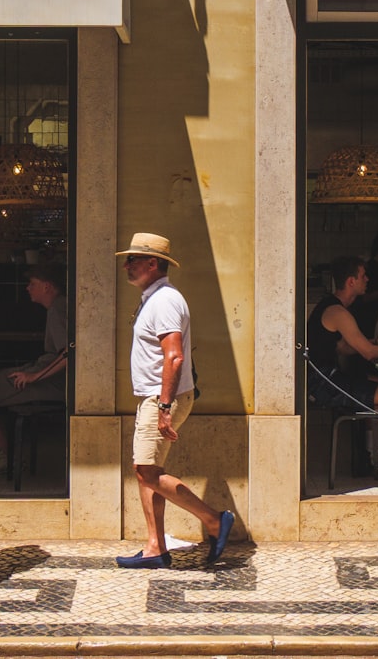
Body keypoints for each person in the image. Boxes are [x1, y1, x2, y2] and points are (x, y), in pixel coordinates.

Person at [114, 232, 234, 570]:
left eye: (133, 260)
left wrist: (164, 407)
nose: (127, 265)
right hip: (155, 396)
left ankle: (213, 520)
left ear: (152, 263)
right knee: (147, 471)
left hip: (160, 398)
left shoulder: (165, 301)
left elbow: (175, 357)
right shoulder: (154, 298)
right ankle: (155, 547)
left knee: (145, 471)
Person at [306, 255, 378, 477]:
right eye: (363, 276)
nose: (367, 279)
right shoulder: (338, 312)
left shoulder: (329, 307)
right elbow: (367, 353)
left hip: (321, 379)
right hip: (323, 384)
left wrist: (373, 343)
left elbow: (342, 347)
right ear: (351, 281)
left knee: (377, 384)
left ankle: (369, 456)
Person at [0, 262, 68, 476]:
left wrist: (34, 376)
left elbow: (68, 353)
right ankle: (2, 451)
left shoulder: (58, 308)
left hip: (50, 382)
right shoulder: (58, 307)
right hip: (43, 374)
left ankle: (4, 454)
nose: (28, 288)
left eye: (33, 283)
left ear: (47, 287)